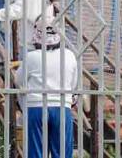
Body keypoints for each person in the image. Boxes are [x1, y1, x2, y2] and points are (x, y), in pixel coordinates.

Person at [15, 19, 81, 158]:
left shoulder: (31, 57)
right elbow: (74, 84)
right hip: (62, 106)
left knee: (35, 152)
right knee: (62, 153)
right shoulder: (69, 55)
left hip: (35, 107)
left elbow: (18, 81)